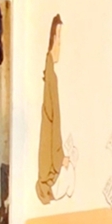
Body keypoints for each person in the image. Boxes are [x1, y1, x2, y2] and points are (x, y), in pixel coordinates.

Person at [36, 15, 75, 204]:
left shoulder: (51, 73)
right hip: (51, 162)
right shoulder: (50, 75)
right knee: (71, 177)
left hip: (53, 157)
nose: (60, 45)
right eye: (58, 38)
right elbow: (52, 125)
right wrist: (60, 159)